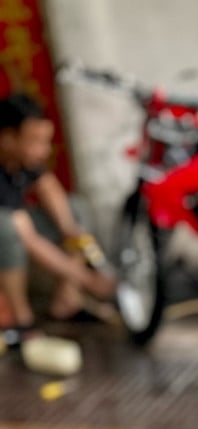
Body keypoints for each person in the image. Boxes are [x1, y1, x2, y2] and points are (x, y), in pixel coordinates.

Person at [0, 93, 117, 339]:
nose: (44, 151)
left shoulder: (22, 160)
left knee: (74, 208)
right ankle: (22, 322)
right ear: (8, 139)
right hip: (10, 230)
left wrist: (69, 229)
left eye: (46, 142)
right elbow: (27, 237)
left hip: (19, 225)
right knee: (6, 227)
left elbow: (48, 186)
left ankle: (66, 302)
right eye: (35, 142)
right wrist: (89, 280)